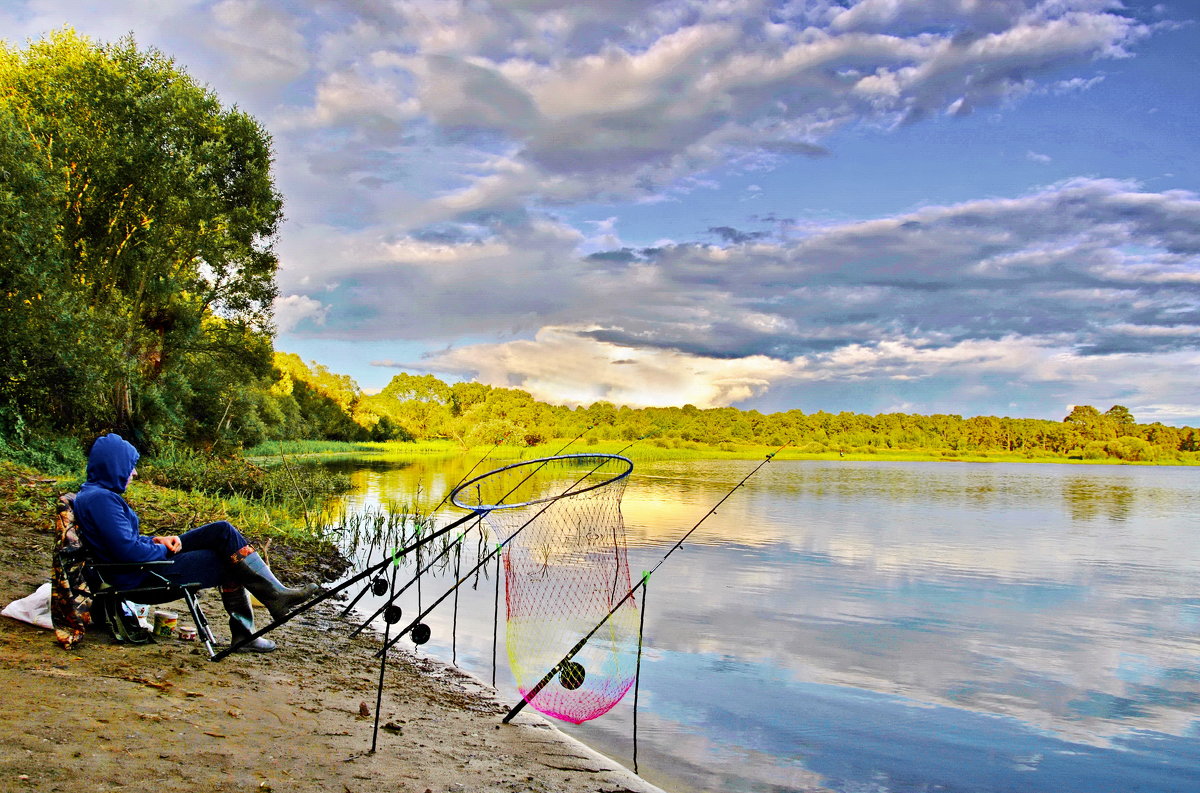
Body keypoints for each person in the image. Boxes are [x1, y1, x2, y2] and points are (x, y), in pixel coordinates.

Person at [72, 433, 320, 653]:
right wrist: (161, 548)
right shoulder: (101, 500)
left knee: (222, 531)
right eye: (131, 466)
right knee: (229, 559)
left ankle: (272, 599)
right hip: (141, 575)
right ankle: (252, 626)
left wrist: (157, 540)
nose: (134, 473)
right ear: (114, 465)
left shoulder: (95, 494)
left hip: (139, 567)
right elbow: (128, 552)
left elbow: (122, 541)